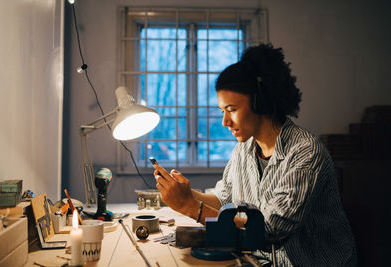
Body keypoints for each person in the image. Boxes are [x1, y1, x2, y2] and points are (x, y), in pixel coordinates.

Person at [152, 43, 357, 266]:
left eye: (231, 110)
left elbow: (268, 231)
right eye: (222, 111)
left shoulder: (306, 152)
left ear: (260, 101)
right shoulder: (243, 148)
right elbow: (225, 200)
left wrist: (191, 208)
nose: (225, 122)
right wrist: (186, 194)